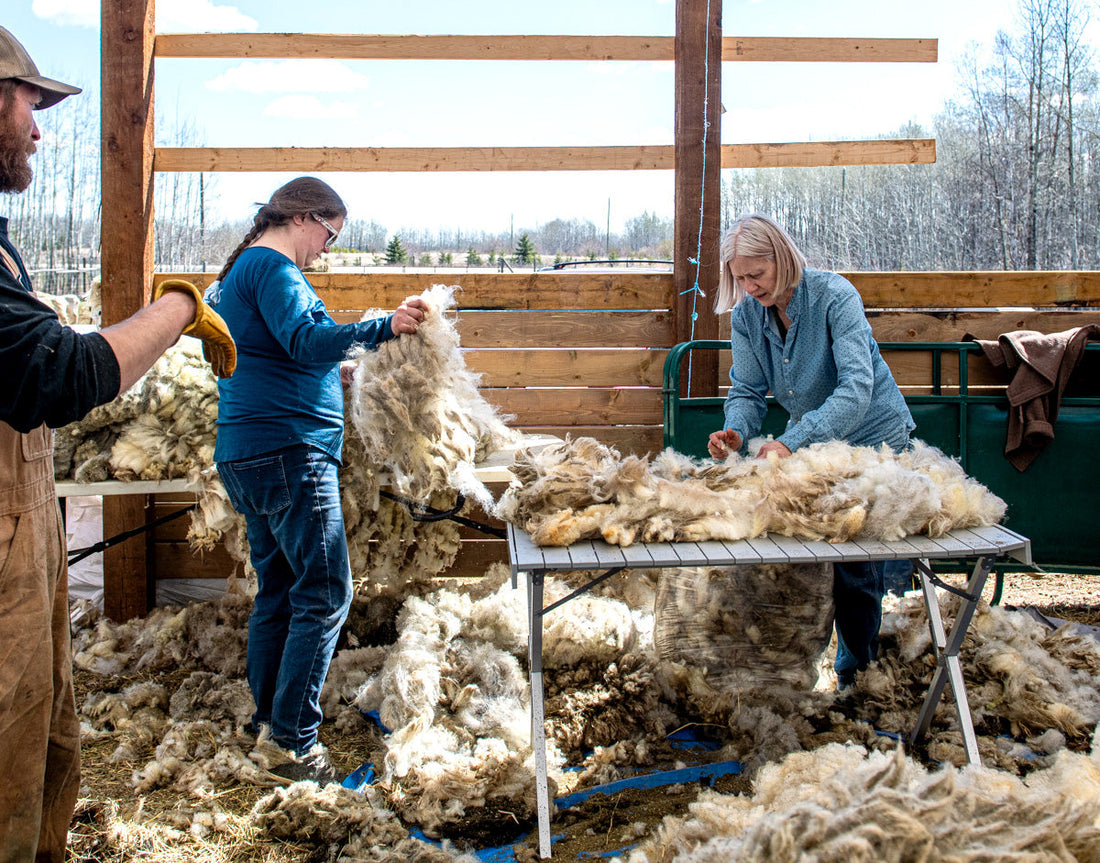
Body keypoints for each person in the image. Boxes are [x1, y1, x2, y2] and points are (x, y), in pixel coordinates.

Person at [0, 26, 235, 863]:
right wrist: (177, 306)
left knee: (38, 745)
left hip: (22, 546)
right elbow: (59, 373)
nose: (38, 127)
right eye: (28, 102)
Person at [208, 176, 428, 784]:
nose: (326, 251)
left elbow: (276, 354)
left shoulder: (238, 276)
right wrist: (381, 326)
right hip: (289, 454)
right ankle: (292, 744)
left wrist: (337, 373)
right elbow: (303, 340)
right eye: (329, 236)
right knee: (326, 590)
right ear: (304, 217)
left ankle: (267, 723)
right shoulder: (274, 270)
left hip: (250, 452)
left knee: (279, 588)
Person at [706, 213, 915, 691]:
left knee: (854, 564)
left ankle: (855, 679)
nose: (749, 286)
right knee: (798, 556)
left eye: (756, 274)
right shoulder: (746, 315)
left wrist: (789, 443)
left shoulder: (835, 297)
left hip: (871, 436)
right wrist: (736, 431)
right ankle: (794, 674)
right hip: (812, 441)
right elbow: (747, 388)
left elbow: (856, 388)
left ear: (781, 258)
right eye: (739, 278)